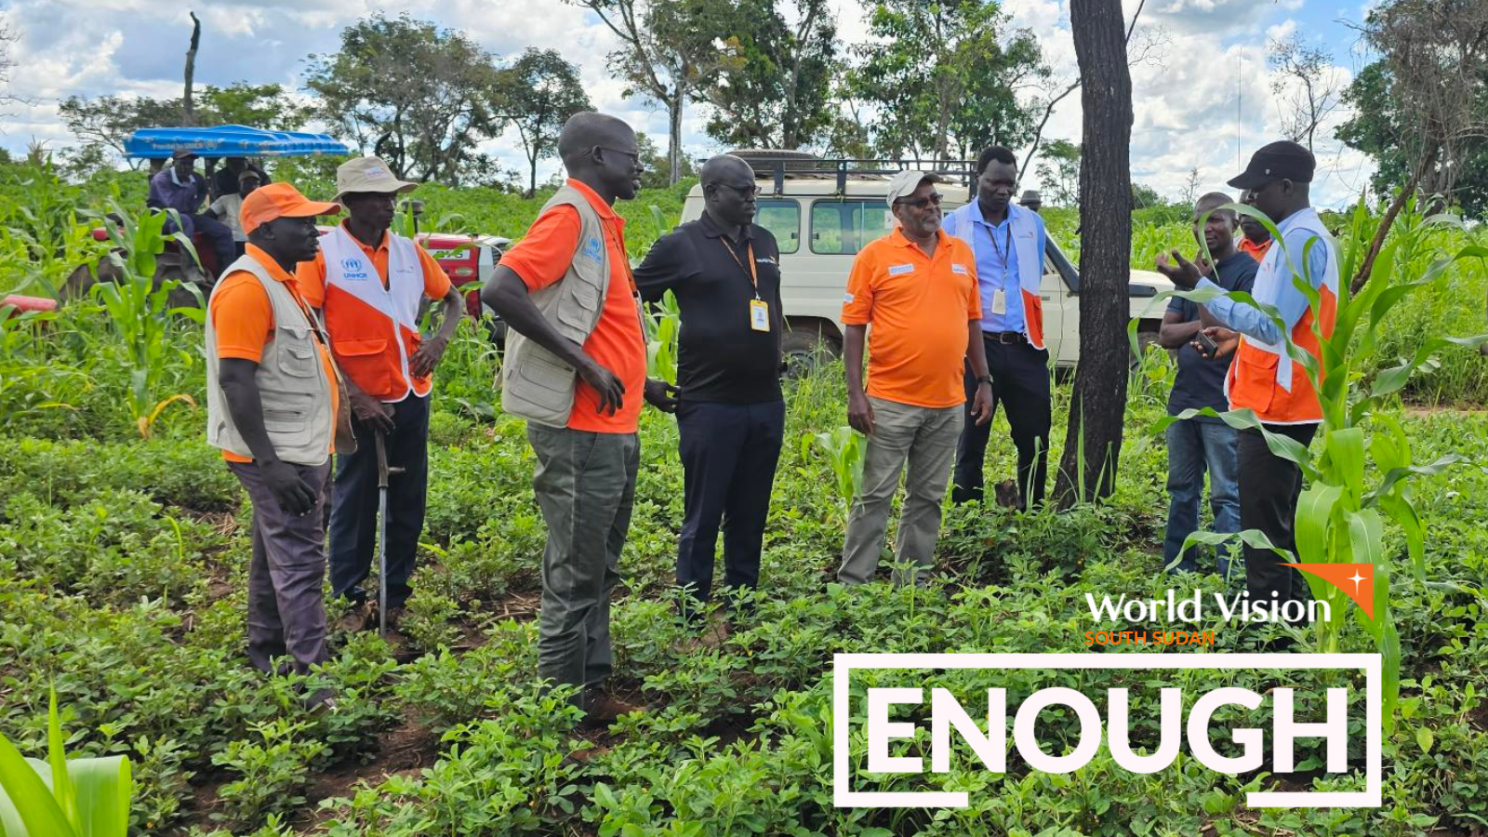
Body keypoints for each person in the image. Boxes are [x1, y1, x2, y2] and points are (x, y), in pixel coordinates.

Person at [480, 113, 677, 722]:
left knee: (599, 564)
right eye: (631, 155)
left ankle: (591, 687)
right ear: (598, 156)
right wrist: (585, 365)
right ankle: (559, 710)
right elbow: (501, 289)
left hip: (615, 428)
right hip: (581, 431)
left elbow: (605, 317)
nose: (639, 166)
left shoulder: (604, 221)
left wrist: (642, 382)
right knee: (574, 572)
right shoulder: (570, 215)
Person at [1157, 141, 1339, 627]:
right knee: (1277, 518)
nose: (1249, 202)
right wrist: (1232, 332)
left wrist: (1203, 288)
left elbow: (1271, 324)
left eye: (1256, 191)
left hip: (1281, 406)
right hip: (1274, 398)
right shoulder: (1292, 239)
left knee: (1262, 524)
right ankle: (1293, 618)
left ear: (1286, 187)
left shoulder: (1301, 241)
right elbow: (1277, 327)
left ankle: (1270, 632)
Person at [295, 156, 464, 635]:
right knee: (355, 495)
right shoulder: (324, 253)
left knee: (409, 495)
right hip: (359, 398)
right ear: (348, 204)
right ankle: (349, 595)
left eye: (392, 195)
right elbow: (311, 328)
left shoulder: (409, 251)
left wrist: (439, 341)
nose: (390, 204)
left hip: (412, 390)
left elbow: (452, 299)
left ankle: (395, 594)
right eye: (378, 197)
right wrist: (353, 395)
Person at [204, 182, 348, 705]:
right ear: (265, 229)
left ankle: (265, 649)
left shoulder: (279, 280)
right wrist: (271, 465)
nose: (315, 231)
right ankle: (313, 682)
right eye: (303, 223)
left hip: (298, 446)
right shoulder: (248, 288)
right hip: (280, 453)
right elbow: (235, 381)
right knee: (301, 562)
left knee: (275, 552)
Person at [633, 154, 782, 635]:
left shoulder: (765, 242)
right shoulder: (681, 245)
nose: (752, 199)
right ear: (714, 192)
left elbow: (772, 304)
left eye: (754, 191)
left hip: (764, 402)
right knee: (703, 513)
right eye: (743, 192)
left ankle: (742, 608)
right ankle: (691, 616)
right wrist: (639, 376)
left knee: (751, 511)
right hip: (709, 405)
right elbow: (626, 301)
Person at [837, 170, 993, 587]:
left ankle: (912, 585)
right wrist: (856, 394)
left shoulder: (960, 252)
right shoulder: (874, 256)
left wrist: (983, 380)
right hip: (889, 402)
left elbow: (973, 320)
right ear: (898, 211)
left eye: (934, 198)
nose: (931, 207)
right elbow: (854, 328)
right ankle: (854, 584)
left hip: (947, 404)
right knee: (875, 497)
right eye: (920, 202)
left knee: (927, 498)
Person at [1155, 192, 1258, 577]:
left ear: (1234, 224)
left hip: (1224, 404)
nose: (1208, 228)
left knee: (1225, 495)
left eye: (1217, 220)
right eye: (1200, 220)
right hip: (1183, 400)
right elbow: (1166, 333)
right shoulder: (1190, 273)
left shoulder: (1247, 272)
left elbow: (1224, 338)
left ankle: (1231, 577)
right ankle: (1178, 570)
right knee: (1181, 490)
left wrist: (1198, 290)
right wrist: (1201, 308)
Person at [944, 146, 1052, 511]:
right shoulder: (954, 224)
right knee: (971, 439)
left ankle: (1034, 513)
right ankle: (966, 517)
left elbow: (1031, 277)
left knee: (1035, 439)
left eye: (1010, 183)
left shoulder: (1030, 224)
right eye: (995, 182)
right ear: (978, 178)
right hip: (975, 348)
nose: (1003, 190)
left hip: (1024, 347)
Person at [148, 149, 237, 276]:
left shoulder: (196, 177)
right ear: (174, 163)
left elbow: (203, 191)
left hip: (185, 213)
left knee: (222, 231)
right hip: (162, 216)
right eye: (182, 163)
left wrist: (194, 204)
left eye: (190, 164)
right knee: (184, 220)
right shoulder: (162, 179)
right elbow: (174, 206)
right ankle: (189, 267)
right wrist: (187, 186)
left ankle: (227, 270)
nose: (186, 167)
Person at [207, 169, 261, 258]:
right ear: (239, 185)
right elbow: (207, 217)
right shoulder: (226, 199)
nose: (252, 186)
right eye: (247, 183)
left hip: (254, 244)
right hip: (231, 243)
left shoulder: (263, 203)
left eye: (256, 183)